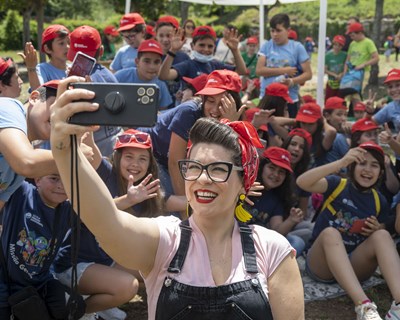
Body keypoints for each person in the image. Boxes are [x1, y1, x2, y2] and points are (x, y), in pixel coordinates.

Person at [50, 79, 305, 319]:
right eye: (194, 167)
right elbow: (106, 220)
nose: (203, 179)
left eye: (218, 169)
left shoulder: (273, 249)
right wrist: (64, 148)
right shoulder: (164, 240)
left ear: (244, 183)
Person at [297, 142, 400, 320]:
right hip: (321, 265)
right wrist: (340, 163)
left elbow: (385, 234)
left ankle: (398, 305)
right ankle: (365, 308)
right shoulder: (337, 185)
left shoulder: (379, 200)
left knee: (382, 235)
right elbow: (302, 182)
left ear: (381, 173)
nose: (368, 169)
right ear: (351, 167)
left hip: (353, 266)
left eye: (374, 165)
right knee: (331, 233)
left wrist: (377, 229)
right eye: (362, 163)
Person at [138, 69, 246, 199]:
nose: (215, 109)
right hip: (150, 154)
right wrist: (185, 206)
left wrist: (229, 125)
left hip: (181, 165)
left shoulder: (235, 120)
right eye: (211, 101)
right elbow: (174, 162)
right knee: (173, 206)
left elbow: (229, 158)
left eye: (223, 103)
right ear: (203, 99)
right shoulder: (188, 112)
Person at [0, 174, 86, 319]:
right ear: (37, 179)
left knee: (73, 306)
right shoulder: (21, 192)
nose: (61, 185)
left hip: (40, 284)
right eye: (53, 178)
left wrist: (129, 199)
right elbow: (14, 165)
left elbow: (101, 212)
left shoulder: (68, 209)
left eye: (66, 180)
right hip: (6, 284)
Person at [0, 81, 62, 212]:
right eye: (57, 108)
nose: (60, 119)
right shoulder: (8, 108)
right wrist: (74, 157)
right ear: (35, 98)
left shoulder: (26, 156)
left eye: (68, 117)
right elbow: (27, 162)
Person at [67, 25, 120, 158]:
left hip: (93, 145)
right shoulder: (108, 75)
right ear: (101, 51)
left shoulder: (78, 79)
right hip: (115, 137)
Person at [249, 147, 306, 257]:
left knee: (297, 242)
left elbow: (276, 231)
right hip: (231, 237)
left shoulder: (277, 198)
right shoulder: (245, 185)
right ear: (261, 167)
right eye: (272, 168)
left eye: (281, 172)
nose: (276, 174)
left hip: (257, 244)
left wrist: (291, 220)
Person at [256, 13, 312, 118]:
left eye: (278, 30)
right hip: (267, 97)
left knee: (288, 131)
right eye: (272, 31)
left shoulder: (297, 47)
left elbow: (308, 74)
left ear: (288, 30)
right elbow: (259, 70)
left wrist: (292, 81)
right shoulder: (266, 46)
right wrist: (283, 70)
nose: (275, 34)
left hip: (289, 98)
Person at [159, 25, 247, 81]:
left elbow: (241, 71)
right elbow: (164, 76)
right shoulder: (188, 65)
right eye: (201, 45)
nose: (206, 49)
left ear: (214, 48)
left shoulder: (216, 65)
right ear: (192, 46)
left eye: (210, 46)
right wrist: (173, 50)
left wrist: (235, 50)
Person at [115, 39, 173, 111]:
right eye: (147, 61)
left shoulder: (161, 84)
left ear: (161, 63)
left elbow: (163, 112)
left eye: (156, 62)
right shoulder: (120, 77)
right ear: (137, 62)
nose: (152, 66)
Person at [154, 15, 190, 108]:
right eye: (161, 35)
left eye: (169, 36)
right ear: (156, 35)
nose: (165, 39)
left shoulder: (184, 57)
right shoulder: (151, 57)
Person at [20, 24, 70, 90]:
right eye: (61, 43)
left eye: (69, 42)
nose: (67, 47)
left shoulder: (72, 68)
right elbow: (39, 94)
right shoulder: (42, 69)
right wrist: (31, 68)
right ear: (47, 49)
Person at [341, 22, 379, 106]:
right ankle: (354, 112)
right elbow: (348, 59)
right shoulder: (352, 44)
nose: (350, 37)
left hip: (362, 72)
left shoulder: (368, 43)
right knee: (350, 94)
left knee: (356, 94)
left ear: (360, 33)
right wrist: (345, 71)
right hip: (351, 72)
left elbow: (376, 58)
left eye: (352, 35)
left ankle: (361, 111)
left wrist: (363, 65)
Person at [325, 35, 347, 101]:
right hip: (331, 82)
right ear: (333, 44)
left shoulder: (345, 55)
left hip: (341, 82)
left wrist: (342, 74)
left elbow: (346, 68)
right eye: (335, 45)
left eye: (339, 45)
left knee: (340, 101)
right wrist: (334, 75)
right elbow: (325, 70)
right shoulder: (328, 55)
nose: (337, 47)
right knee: (329, 100)